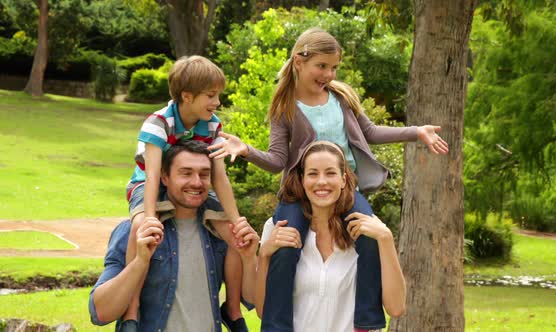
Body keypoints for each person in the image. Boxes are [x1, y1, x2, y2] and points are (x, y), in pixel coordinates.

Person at [208, 28, 447, 331]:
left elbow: (370, 133)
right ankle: (277, 324)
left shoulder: (341, 98)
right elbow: (277, 161)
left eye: (334, 67)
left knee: (370, 236)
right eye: (322, 66)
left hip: (346, 190)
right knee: (286, 242)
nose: (329, 74)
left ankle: (366, 321)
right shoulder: (285, 107)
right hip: (298, 193)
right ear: (299, 61)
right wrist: (245, 150)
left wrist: (416, 132)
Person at [125, 56, 247, 330]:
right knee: (140, 230)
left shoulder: (212, 124)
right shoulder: (158, 123)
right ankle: (131, 312)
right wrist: (150, 216)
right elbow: (154, 174)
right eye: (211, 96)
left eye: (218, 96)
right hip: (148, 183)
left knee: (234, 236)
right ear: (187, 96)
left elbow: (219, 176)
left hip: (187, 183)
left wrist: (236, 220)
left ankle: (233, 309)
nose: (217, 102)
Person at [89, 140, 259, 331]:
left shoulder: (221, 233)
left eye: (204, 174)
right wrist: (140, 262)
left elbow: (254, 301)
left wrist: (249, 257)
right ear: (164, 178)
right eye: (186, 173)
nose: (196, 182)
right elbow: (101, 312)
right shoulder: (135, 231)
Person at [256, 141, 406, 332]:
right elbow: (263, 311)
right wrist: (264, 255)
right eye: (313, 173)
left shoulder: (370, 230)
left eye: (330, 173)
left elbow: (397, 308)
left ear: (343, 180)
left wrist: (386, 238)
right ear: (302, 180)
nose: (321, 182)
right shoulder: (278, 229)